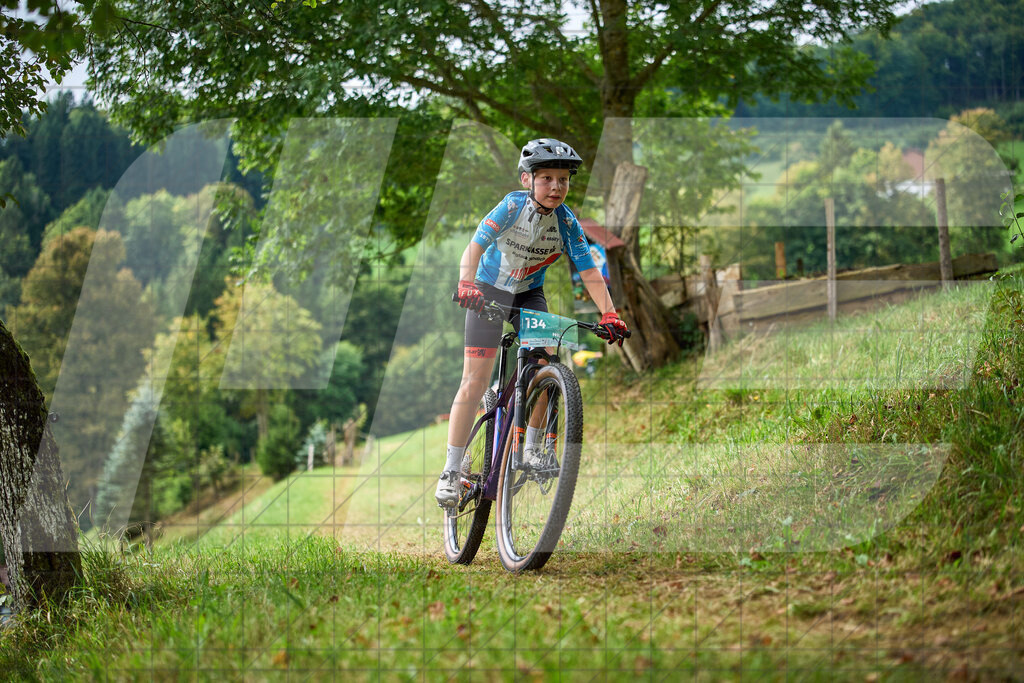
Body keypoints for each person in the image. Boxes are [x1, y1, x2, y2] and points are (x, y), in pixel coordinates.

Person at [435, 138, 629, 509]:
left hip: (527, 296)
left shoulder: (567, 223)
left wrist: (610, 313)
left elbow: (588, 270)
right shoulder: (511, 206)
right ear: (527, 180)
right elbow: (474, 247)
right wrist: (465, 283)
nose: (557, 186)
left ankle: (534, 445)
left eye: (563, 180)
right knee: (474, 380)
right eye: (547, 179)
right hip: (487, 291)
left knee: (545, 363)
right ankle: (451, 469)